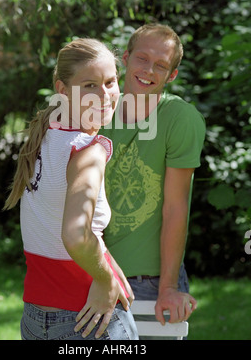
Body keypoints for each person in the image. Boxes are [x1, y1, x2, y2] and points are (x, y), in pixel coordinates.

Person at [4, 38, 138, 341]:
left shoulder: (44, 138)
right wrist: (104, 280)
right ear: (63, 90)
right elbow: (76, 234)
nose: (105, 95)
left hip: (36, 319)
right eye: (90, 85)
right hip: (89, 318)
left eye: (110, 81)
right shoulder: (87, 150)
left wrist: (103, 256)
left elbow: (52, 225)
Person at [102, 23, 206, 336]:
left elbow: (176, 207)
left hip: (151, 281)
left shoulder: (179, 118)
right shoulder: (96, 113)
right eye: (142, 58)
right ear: (125, 58)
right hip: (95, 274)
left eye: (161, 65)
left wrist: (169, 287)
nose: (149, 70)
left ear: (172, 75)